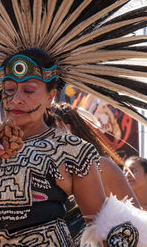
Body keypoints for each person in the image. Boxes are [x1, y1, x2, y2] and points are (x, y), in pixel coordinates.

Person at [0, 0, 147, 246]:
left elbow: (104, 227)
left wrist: (124, 236)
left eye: (29, 90)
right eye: (9, 91)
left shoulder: (73, 151)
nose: (16, 99)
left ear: (51, 96)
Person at [45, 102, 141, 243]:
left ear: (64, 127)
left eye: (47, 130)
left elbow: (138, 226)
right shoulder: (38, 170)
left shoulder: (102, 166)